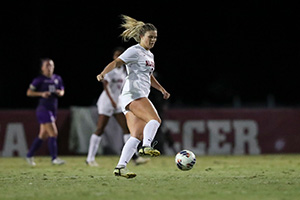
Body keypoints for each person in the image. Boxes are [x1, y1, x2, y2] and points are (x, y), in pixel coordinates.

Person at [96, 15, 170, 178]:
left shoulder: (149, 55)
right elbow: (116, 63)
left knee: (135, 135)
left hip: (131, 97)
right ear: (141, 37)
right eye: (150, 37)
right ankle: (147, 146)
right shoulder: (135, 51)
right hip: (134, 94)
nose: (153, 40)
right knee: (155, 120)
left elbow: (149, 76)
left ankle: (121, 167)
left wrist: (161, 89)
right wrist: (103, 73)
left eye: (155, 38)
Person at [86, 47, 149, 166]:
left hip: (118, 102)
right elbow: (106, 86)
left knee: (126, 128)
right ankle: (90, 158)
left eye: (120, 55)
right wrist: (112, 100)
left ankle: (134, 157)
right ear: (113, 57)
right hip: (107, 102)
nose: (118, 57)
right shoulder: (111, 69)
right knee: (100, 129)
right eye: (116, 55)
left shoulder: (124, 70)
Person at [26, 58, 65, 166]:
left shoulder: (57, 78)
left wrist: (59, 92)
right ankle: (54, 158)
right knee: (53, 133)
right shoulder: (39, 80)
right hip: (43, 109)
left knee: (43, 135)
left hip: (53, 109)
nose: (50, 67)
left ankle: (29, 155)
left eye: (51, 65)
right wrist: (41, 94)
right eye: (47, 65)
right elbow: (29, 92)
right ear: (42, 68)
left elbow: (62, 90)